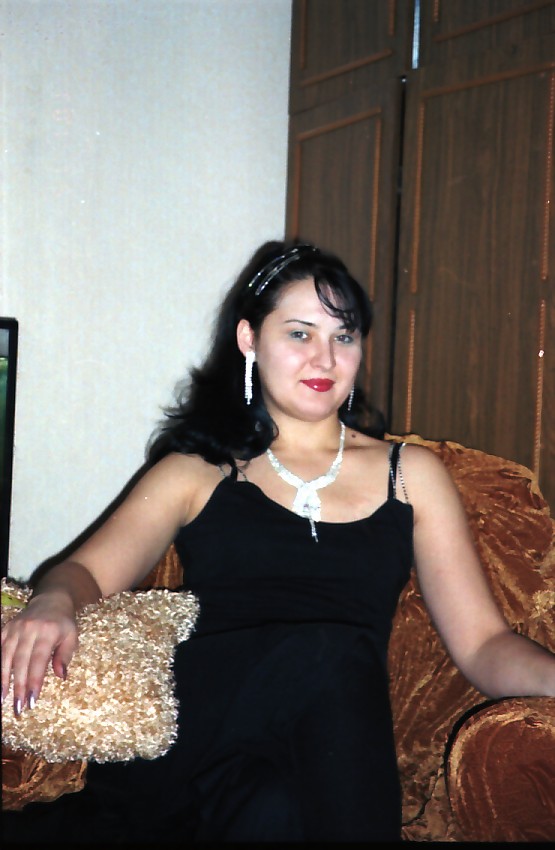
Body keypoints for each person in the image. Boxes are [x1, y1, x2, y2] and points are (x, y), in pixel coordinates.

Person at [2, 240, 555, 843]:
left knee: (275, 806)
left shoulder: (410, 474)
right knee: (332, 649)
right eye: (299, 334)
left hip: (317, 757)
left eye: (344, 336)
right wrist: (53, 601)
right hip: (199, 738)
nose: (325, 358)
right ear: (249, 339)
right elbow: (85, 572)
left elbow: (483, 644)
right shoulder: (199, 471)